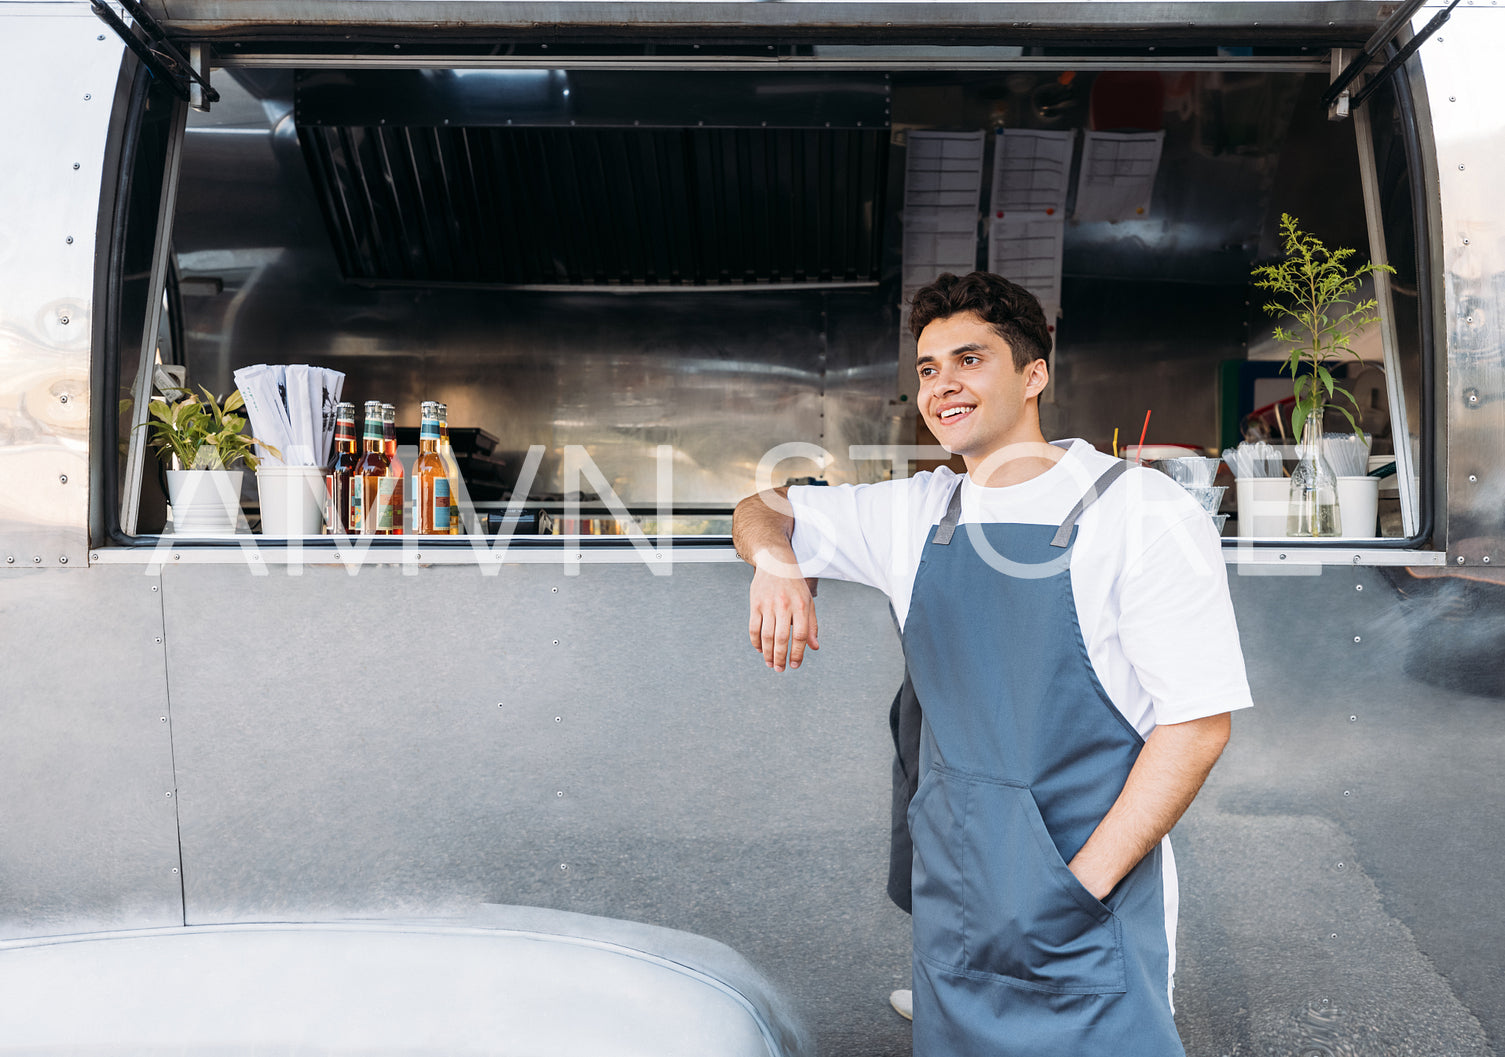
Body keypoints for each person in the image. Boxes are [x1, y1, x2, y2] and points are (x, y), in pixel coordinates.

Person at [732, 271, 1252, 1056]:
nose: (942, 385)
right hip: (957, 902)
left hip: (1087, 897)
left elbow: (1195, 725)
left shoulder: (1141, 513)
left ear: (1033, 373)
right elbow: (762, 506)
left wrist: (1078, 887)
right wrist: (775, 563)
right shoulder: (915, 512)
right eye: (928, 368)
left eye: (969, 360)